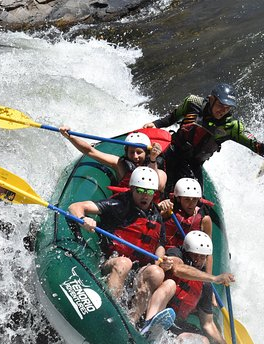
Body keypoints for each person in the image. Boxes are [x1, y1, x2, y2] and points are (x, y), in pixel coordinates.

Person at [68, 167, 168, 326]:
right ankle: (110, 314)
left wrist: (161, 259)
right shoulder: (119, 203)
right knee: (124, 263)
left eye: (149, 192)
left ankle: (131, 323)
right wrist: (83, 219)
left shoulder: (155, 214)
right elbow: (75, 206)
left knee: (157, 273)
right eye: (141, 190)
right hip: (109, 263)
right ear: (133, 188)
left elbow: (160, 244)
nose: (145, 195)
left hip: (136, 272)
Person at [142, 83, 264, 193]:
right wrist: (154, 124)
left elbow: (255, 144)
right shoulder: (193, 102)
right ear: (211, 99)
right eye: (220, 105)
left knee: (196, 199)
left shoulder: (232, 127)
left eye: (227, 108)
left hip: (192, 164)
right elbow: (171, 118)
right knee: (146, 172)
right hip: (172, 152)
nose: (222, 111)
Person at [143, 230, 241, 344]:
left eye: (203, 257)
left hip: (173, 324)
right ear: (187, 252)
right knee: (170, 284)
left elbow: (208, 324)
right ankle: (148, 326)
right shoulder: (176, 253)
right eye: (196, 255)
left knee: (203, 342)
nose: (199, 260)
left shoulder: (205, 286)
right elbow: (177, 269)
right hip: (152, 311)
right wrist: (214, 278)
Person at [59, 126, 167, 193]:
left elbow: (158, 185)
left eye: (139, 152)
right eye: (131, 152)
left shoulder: (158, 171)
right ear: (126, 152)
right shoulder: (119, 164)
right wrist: (69, 136)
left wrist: (153, 159)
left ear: (146, 153)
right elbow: (90, 151)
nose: (135, 156)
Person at [157, 177, 213, 273]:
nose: (191, 204)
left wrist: (209, 278)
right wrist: (159, 207)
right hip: (168, 254)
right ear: (179, 199)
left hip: (192, 258)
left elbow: (208, 252)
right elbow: (151, 218)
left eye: (194, 200)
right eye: (187, 199)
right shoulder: (169, 211)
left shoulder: (205, 220)